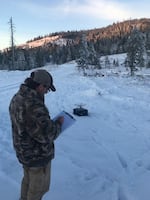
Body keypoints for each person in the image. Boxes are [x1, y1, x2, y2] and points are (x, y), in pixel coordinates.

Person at [9, 69, 64, 200]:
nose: (46, 92)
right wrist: (59, 125)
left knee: (28, 181)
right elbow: (46, 135)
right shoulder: (33, 105)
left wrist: (47, 123)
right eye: (47, 89)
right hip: (37, 156)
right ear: (40, 85)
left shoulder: (18, 97)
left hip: (24, 152)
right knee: (38, 190)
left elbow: (30, 126)